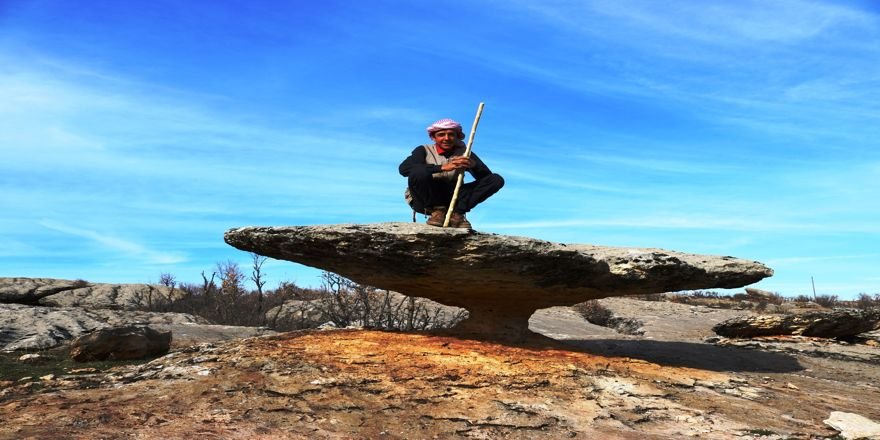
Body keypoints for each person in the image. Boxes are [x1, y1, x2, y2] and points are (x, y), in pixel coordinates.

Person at [399, 118, 504, 229]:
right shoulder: (423, 150)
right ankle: (437, 211)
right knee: (418, 171)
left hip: (453, 197)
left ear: (457, 136)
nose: (446, 138)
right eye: (441, 135)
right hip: (426, 197)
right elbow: (404, 169)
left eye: (451, 134)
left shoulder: (465, 153)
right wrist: (443, 167)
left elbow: (486, 179)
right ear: (433, 137)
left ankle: (457, 215)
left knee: (496, 179)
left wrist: (474, 166)